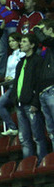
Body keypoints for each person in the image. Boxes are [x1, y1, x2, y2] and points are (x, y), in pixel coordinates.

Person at [11, 34, 47, 163]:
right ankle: (28, 165)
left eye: (24, 41)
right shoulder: (21, 62)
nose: (21, 43)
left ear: (32, 45)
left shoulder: (38, 61)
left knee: (38, 137)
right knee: (23, 138)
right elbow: (16, 83)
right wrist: (14, 99)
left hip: (31, 104)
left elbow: (39, 84)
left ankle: (42, 164)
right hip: (20, 104)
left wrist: (35, 102)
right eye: (21, 41)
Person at [0, 32, 25, 137]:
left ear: (19, 41)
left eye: (13, 41)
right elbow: (7, 73)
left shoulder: (22, 54)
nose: (11, 43)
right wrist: (7, 78)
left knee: (20, 110)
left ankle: (24, 131)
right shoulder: (10, 57)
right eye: (9, 41)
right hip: (11, 87)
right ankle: (12, 127)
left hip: (20, 86)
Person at [33, 20, 54, 149]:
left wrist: (36, 29)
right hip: (43, 90)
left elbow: (44, 40)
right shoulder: (45, 49)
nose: (41, 32)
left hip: (52, 88)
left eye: (43, 29)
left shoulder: (51, 42)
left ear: (50, 30)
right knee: (51, 130)